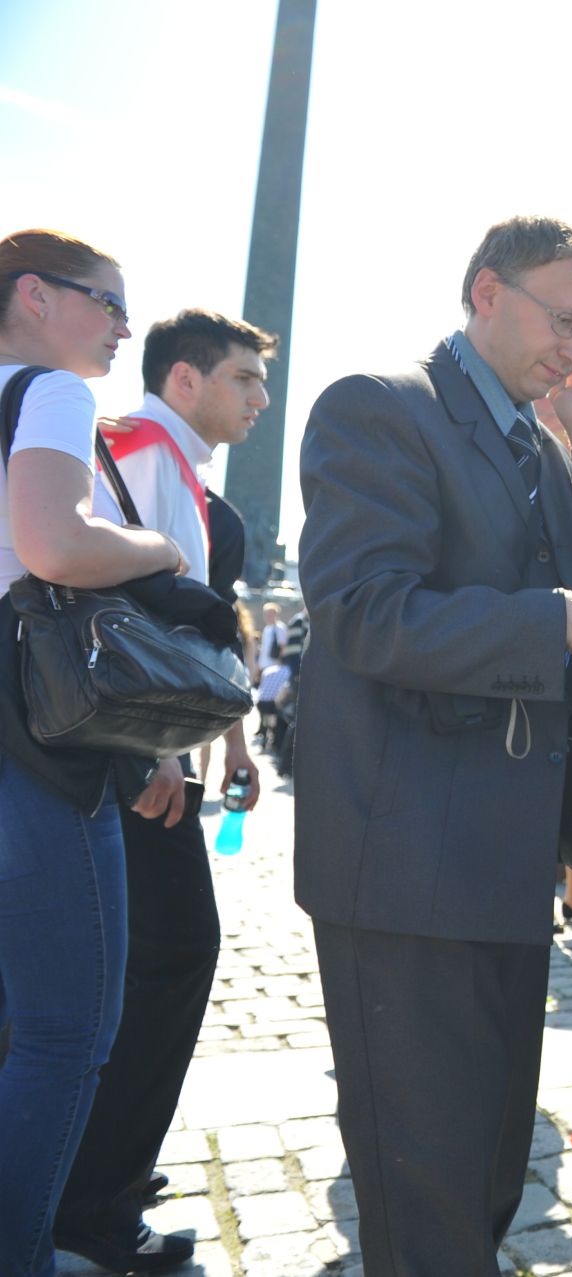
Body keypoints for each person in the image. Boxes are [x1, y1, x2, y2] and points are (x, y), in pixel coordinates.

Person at [295, 216, 572, 1277]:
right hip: (404, 866)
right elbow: (365, 612)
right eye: (564, 316)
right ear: (485, 290)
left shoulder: (537, 438)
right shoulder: (380, 406)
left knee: (491, 1172)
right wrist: (553, 621)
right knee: (428, 1196)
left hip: (502, 861)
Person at [52, 309, 277, 1273]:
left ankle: (94, 1181)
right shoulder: (139, 453)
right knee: (168, 957)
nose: (260, 400)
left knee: (147, 962)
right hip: (125, 758)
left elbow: (194, 634)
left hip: (149, 754)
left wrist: (230, 745)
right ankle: (92, 1201)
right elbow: (112, 618)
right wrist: (153, 758)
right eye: (243, 380)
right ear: (183, 380)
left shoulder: (178, 471)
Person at [0, 230, 195, 1277]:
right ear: (35, 295)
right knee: (68, 1028)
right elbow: (55, 543)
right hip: (33, 745)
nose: (123, 325)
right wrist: (159, 546)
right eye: (107, 302)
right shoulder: (49, 392)